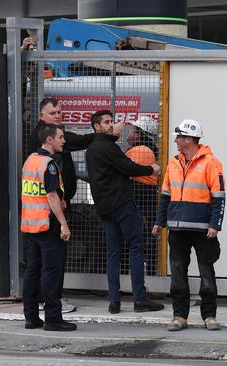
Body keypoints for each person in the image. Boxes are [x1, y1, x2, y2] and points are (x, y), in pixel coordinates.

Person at [28, 97, 124, 313]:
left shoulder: (52, 136)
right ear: (42, 116)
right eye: (53, 113)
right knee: (52, 259)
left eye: (60, 112)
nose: (58, 116)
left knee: (45, 259)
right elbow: (80, 141)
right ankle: (51, 301)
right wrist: (106, 134)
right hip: (51, 208)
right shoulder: (49, 136)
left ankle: (42, 302)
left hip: (52, 206)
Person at [85, 110, 164, 314]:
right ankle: (140, 298)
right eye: (107, 122)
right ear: (96, 126)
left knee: (113, 253)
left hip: (105, 207)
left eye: (112, 122)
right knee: (136, 248)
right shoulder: (109, 147)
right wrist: (152, 169)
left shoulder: (93, 148)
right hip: (122, 205)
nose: (113, 125)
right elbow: (128, 167)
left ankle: (114, 300)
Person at [152, 119, 225, 332]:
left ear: (190, 139)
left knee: (206, 274)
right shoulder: (173, 163)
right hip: (177, 229)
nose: (176, 140)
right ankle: (179, 316)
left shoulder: (212, 163)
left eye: (180, 137)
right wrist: (159, 221)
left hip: (203, 229)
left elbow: (219, 197)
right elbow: (165, 196)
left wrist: (215, 225)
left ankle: (209, 316)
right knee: (177, 274)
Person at [22, 124, 77, 332]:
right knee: (50, 273)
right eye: (61, 137)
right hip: (47, 224)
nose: (64, 140)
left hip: (30, 224)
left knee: (32, 272)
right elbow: (52, 196)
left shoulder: (30, 161)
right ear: (49, 140)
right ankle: (53, 319)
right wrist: (63, 224)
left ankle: (31, 317)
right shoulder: (49, 164)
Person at [125, 116, 159, 275]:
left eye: (131, 131)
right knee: (151, 239)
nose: (128, 135)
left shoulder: (137, 151)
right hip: (151, 199)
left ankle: (125, 274)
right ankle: (153, 275)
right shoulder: (155, 150)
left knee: (130, 239)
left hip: (134, 199)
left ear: (139, 134)